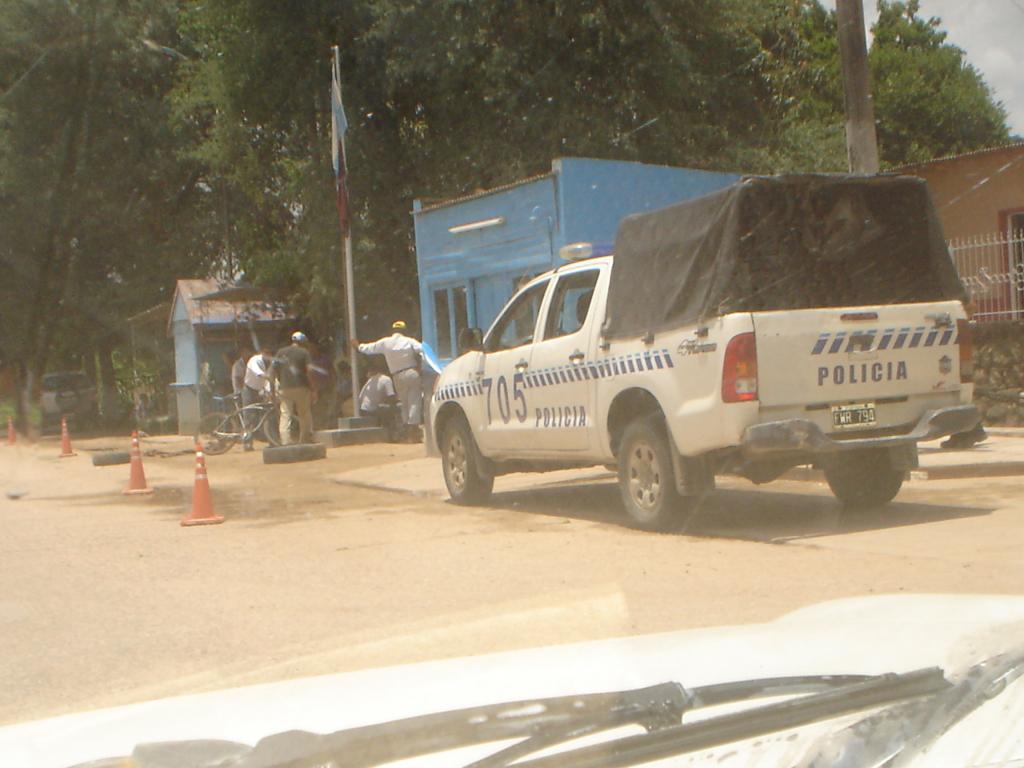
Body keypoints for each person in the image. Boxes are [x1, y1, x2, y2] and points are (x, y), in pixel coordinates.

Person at [352, 320, 424, 442]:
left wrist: (358, 346)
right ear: (404, 331)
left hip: (396, 376)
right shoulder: (409, 341)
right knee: (414, 401)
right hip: (411, 373)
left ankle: (407, 431)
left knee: (404, 403)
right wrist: (422, 366)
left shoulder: (385, 342)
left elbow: (370, 348)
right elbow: (423, 350)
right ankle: (414, 430)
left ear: (393, 331)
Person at [272, 331, 315, 445]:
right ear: (303, 342)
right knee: (304, 413)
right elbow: (309, 371)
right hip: (301, 387)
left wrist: (277, 383)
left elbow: (274, 369)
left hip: (284, 388)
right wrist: (312, 388)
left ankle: (285, 441)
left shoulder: (280, 352)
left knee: (285, 413)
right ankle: (305, 439)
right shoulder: (304, 352)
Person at [357, 358, 400, 441]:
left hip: (363, 410)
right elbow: (391, 397)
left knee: (386, 407)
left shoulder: (370, 380)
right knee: (396, 409)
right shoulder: (386, 379)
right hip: (373, 411)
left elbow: (360, 397)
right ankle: (392, 436)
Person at [241, 346, 274, 451]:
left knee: (266, 414)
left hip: (260, 390)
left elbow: (269, 381)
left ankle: (272, 440)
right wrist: (269, 377)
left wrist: (271, 392)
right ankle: (247, 443)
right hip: (249, 390)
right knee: (248, 416)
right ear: (262, 353)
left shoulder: (270, 363)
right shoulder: (254, 360)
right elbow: (259, 373)